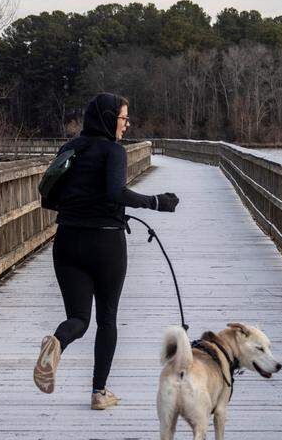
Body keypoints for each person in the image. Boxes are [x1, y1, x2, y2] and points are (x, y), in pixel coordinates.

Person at [33, 92, 179, 410]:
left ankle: (58, 341)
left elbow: (50, 195)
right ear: (110, 118)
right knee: (107, 319)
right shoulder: (113, 151)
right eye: (124, 118)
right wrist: (157, 202)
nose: (126, 126)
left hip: (67, 241)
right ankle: (99, 393)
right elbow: (115, 193)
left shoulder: (69, 148)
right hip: (105, 244)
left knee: (78, 318)